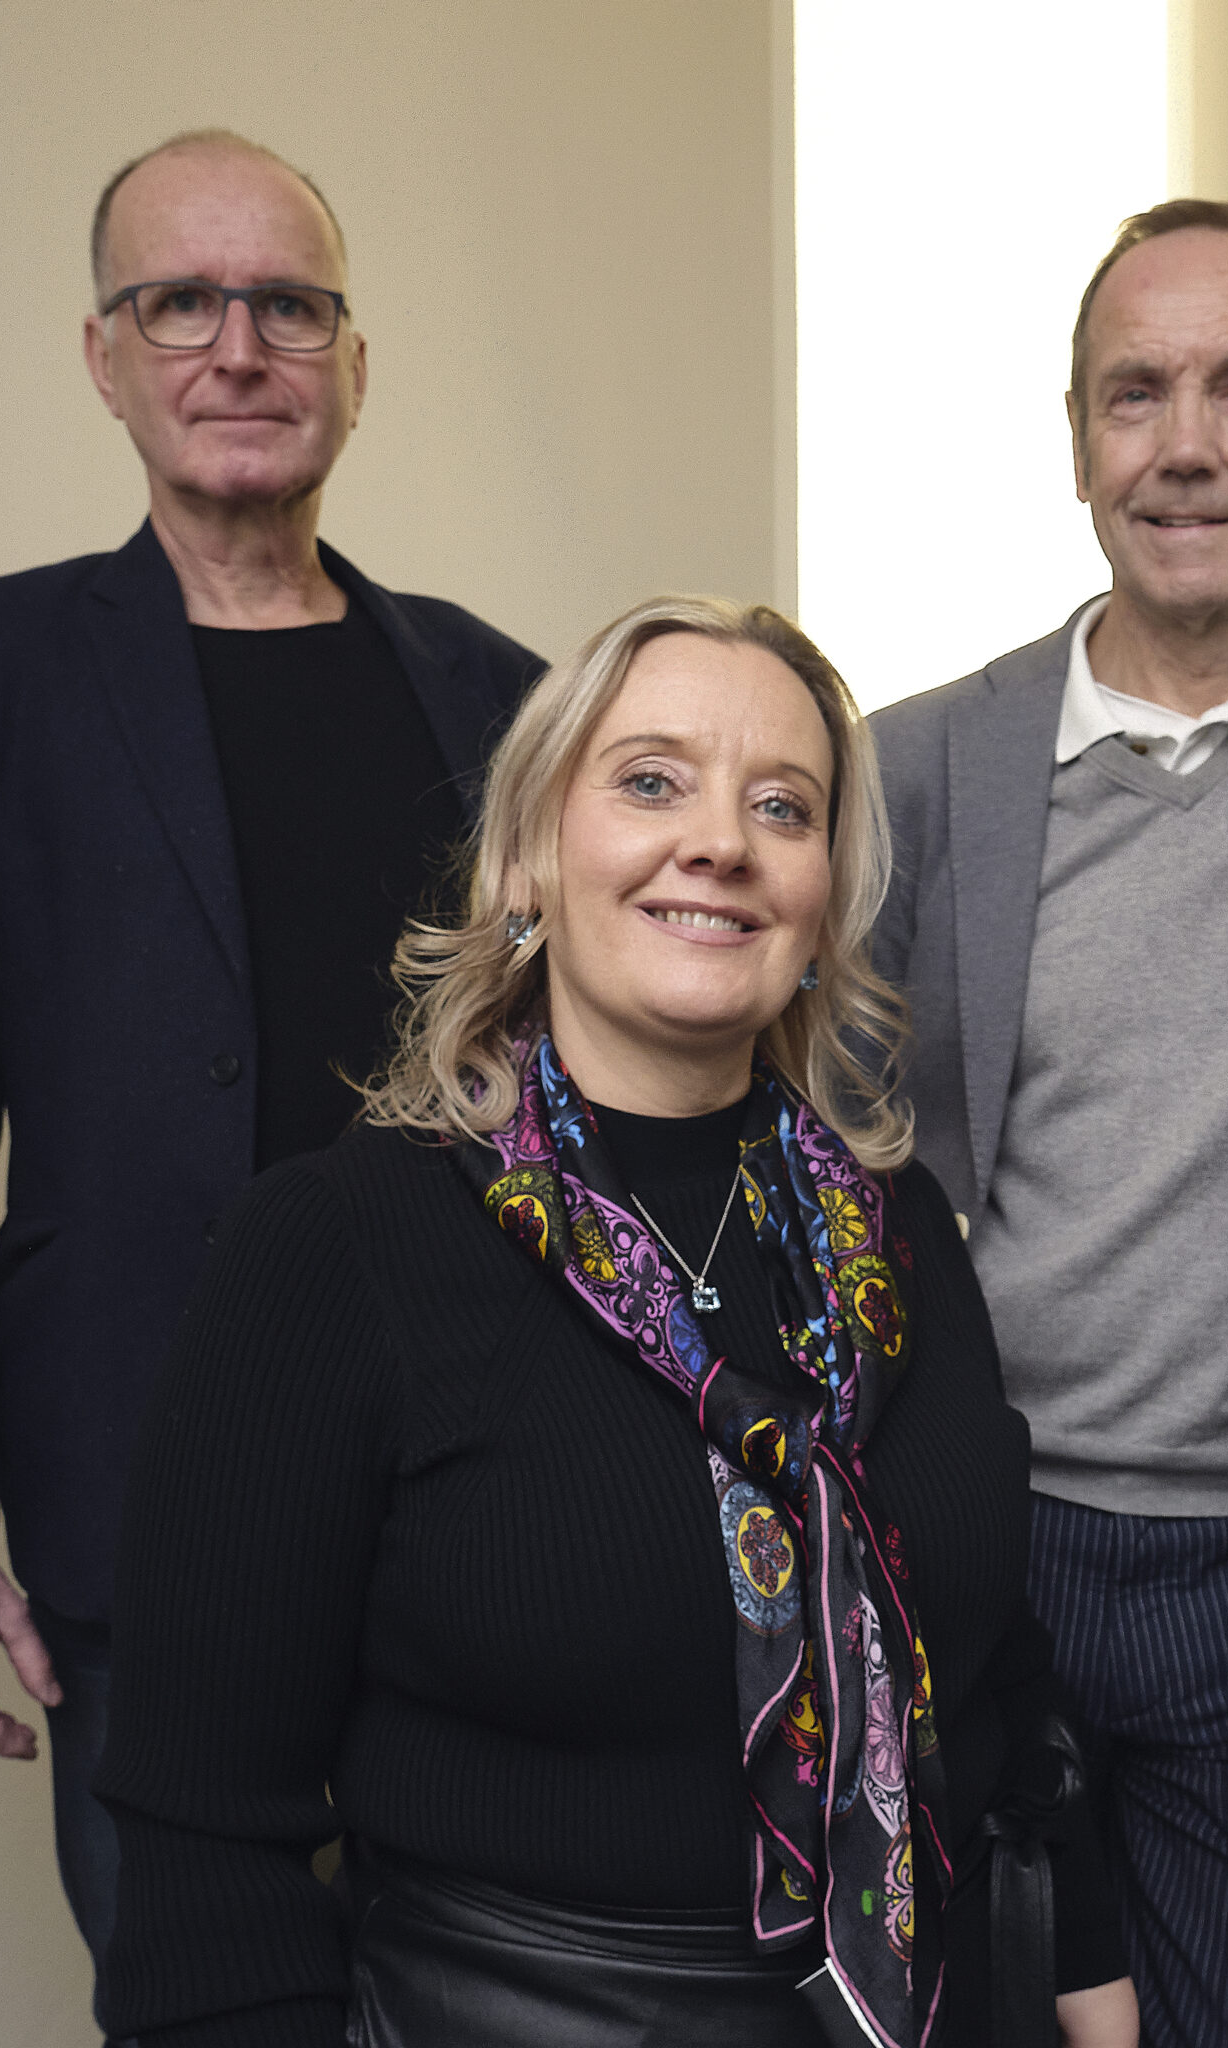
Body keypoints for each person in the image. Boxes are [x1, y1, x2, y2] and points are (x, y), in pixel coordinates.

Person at [93, 597, 1140, 2048]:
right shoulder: (333, 1251)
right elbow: (204, 1827)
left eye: (783, 806)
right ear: (528, 857)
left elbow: (982, 1651)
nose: (719, 839)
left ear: (823, 904)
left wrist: (1091, 1974)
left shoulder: (898, 1234)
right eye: (650, 781)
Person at [0, 127, 542, 2023]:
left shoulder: (500, 697)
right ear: (108, 354)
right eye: (182, 302)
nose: (239, 346)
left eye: (288, 305)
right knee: (203, 2006)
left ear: (354, 364)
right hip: (135, 1521)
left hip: (462, 1512)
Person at [869, 198, 1228, 2047]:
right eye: (1136, 395)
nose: (1186, 444)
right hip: (987, 1542)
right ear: (1079, 441)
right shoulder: (916, 769)